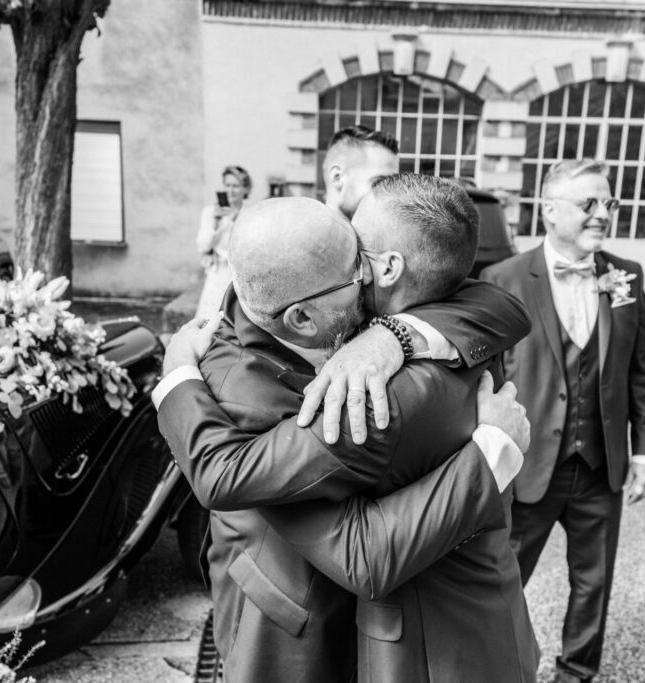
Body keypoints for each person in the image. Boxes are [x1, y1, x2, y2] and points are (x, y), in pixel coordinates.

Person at [155, 177, 540, 682]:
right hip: (289, 623)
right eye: (356, 264)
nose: (364, 275)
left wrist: (395, 333)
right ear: (300, 316)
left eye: (362, 255)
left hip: (419, 635)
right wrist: (177, 378)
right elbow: (222, 476)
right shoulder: (244, 385)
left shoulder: (386, 369)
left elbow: (500, 306)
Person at [481, 158, 645, 683]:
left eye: (609, 203)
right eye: (589, 203)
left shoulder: (626, 276)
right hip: (528, 463)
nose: (602, 214)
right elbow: (488, 378)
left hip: (601, 462)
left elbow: (640, 369)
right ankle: (500, 667)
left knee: (594, 580)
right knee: (504, 578)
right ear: (550, 209)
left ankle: (576, 673)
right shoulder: (502, 279)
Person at [195, 165, 251, 318]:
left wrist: (235, 218)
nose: (231, 191)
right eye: (227, 185)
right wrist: (215, 222)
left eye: (236, 186)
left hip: (241, 276)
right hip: (217, 274)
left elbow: (251, 245)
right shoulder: (211, 212)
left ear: (245, 189)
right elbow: (203, 246)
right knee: (212, 319)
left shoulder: (250, 213)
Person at [321, 125, 398, 220]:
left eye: (393, 186)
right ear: (337, 177)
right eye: (379, 183)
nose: (391, 196)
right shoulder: (302, 232)